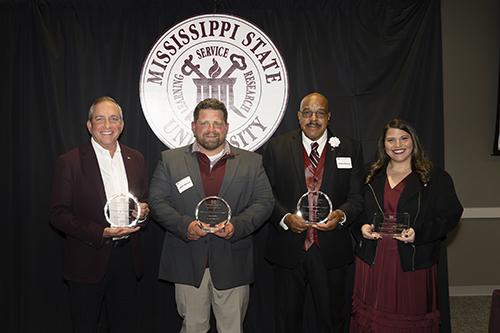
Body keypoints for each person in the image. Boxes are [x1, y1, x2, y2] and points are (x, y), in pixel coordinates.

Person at [149, 98, 274, 333]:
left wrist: (237, 226)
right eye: (204, 123)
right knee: (193, 327)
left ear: (226, 127)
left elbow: (264, 202)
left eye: (217, 123)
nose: (211, 129)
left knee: (232, 328)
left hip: (233, 262)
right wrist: (185, 225)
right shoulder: (170, 160)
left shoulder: (251, 162)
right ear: (194, 126)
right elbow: (157, 201)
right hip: (188, 262)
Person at [263, 92, 365, 333]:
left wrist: (340, 216)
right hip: (289, 248)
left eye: (320, 113)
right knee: (286, 321)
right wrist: (285, 218)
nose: (313, 119)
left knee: (332, 320)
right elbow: (265, 195)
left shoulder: (350, 147)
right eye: (307, 112)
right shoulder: (277, 147)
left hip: (331, 248)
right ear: (298, 117)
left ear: (329, 117)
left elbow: (357, 198)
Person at [350, 118, 463, 332]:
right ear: (383, 145)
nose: (398, 145)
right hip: (373, 258)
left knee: (409, 320)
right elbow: (355, 208)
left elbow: (451, 214)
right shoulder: (368, 174)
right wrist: (361, 227)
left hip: (412, 259)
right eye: (390, 140)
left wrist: (418, 234)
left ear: (414, 141)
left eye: (403, 138)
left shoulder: (434, 177)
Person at [49, 96, 150, 333]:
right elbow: (57, 214)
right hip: (86, 259)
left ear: (122, 125)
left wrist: (143, 213)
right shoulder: (70, 162)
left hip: (127, 259)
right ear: (89, 125)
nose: (107, 125)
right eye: (100, 119)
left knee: (125, 325)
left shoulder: (136, 159)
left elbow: (143, 200)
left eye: (114, 119)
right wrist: (100, 232)